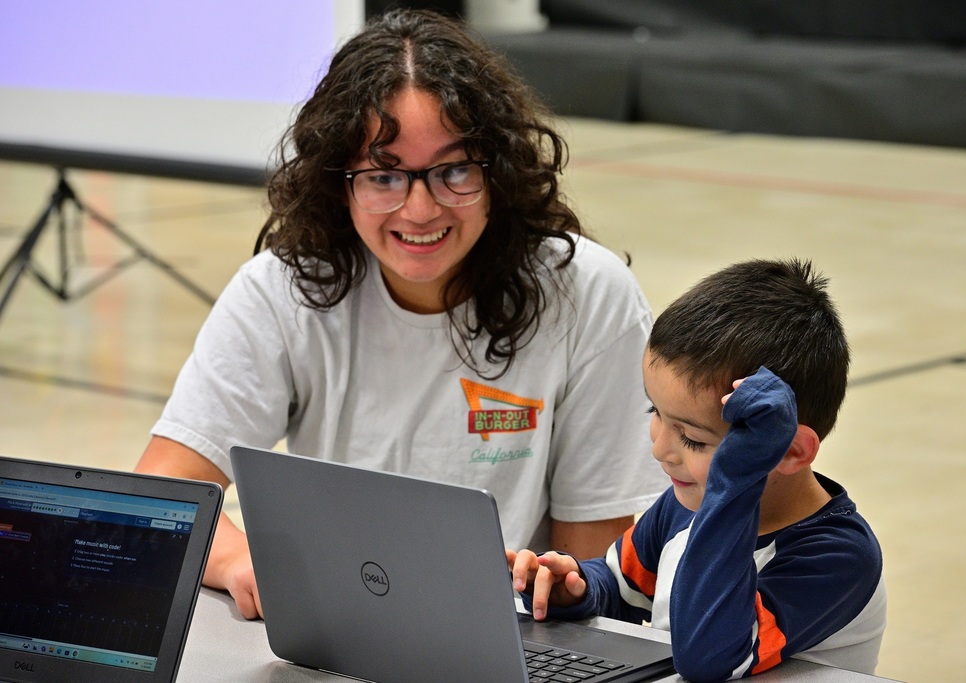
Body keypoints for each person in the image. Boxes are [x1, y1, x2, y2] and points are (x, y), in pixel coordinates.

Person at [134, 9, 664, 620]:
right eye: (384, 176)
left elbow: (593, 577)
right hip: (329, 629)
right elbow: (164, 493)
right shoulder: (283, 290)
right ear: (338, 182)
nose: (419, 210)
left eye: (454, 171)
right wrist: (240, 561)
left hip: (512, 638)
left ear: (497, 172)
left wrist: (549, 598)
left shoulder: (586, 296)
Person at [508, 259, 887, 682]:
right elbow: (619, 586)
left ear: (791, 451)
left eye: (692, 439)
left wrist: (735, 479)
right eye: (655, 412)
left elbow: (709, 658)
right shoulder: (683, 505)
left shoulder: (837, 557)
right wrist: (575, 587)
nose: (659, 449)